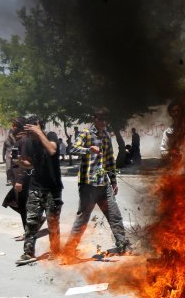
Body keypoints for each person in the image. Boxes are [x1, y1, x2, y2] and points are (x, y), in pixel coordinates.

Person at [65, 107, 130, 257]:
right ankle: (69, 251)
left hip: (104, 184)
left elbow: (109, 160)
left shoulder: (106, 136)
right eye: (101, 119)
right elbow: (73, 149)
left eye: (106, 120)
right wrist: (88, 149)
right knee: (83, 218)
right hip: (88, 184)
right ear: (94, 119)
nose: (103, 123)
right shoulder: (85, 133)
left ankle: (122, 245)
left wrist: (113, 181)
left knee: (114, 215)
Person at [15, 116, 63, 265]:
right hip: (35, 186)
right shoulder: (29, 142)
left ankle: (55, 251)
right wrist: (20, 162)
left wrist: (39, 132)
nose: (29, 131)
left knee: (52, 222)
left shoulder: (50, 136)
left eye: (32, 127)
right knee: (31, 222)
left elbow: (52, 150)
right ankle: (28, 253)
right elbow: (30, 164)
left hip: (52, 187)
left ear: (39, 125)